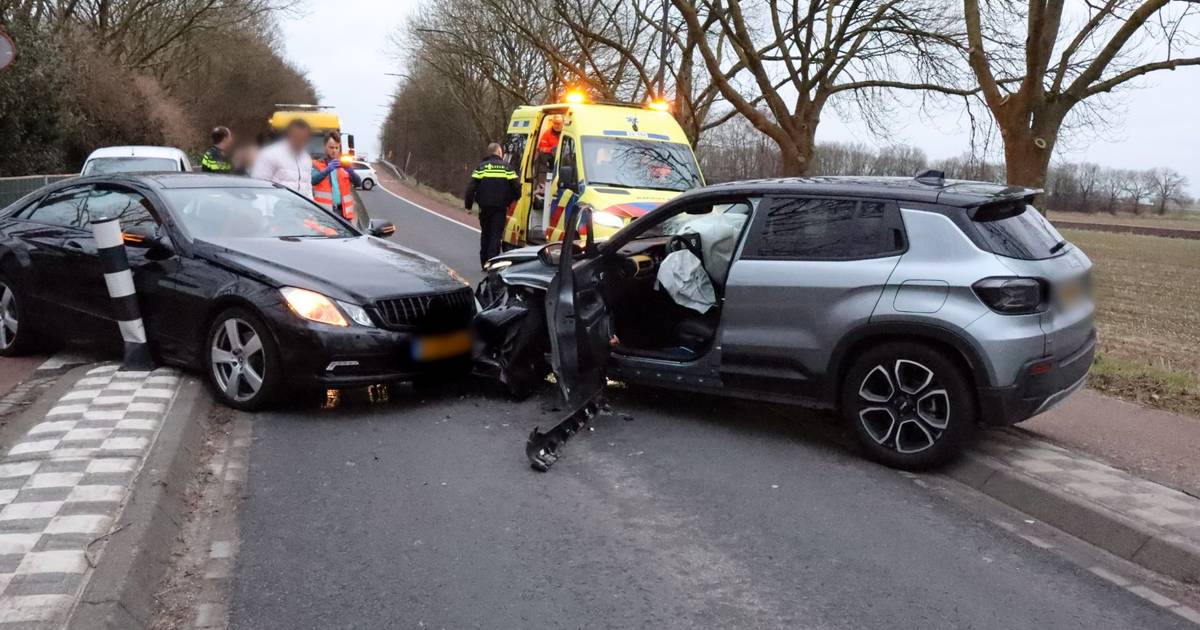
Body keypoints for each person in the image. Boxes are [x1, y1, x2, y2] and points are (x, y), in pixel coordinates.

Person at [465, 142, 520, 268]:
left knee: (486, 233)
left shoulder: (481, 167)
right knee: (496, 235)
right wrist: (512, 200)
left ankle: (484, 261)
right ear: (499, 152)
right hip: (500, 208)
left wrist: (468, 205)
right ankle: (492, 263)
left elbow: (470, 188)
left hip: (484, 208)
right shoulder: (507, 168)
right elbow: (517, 187)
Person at [250, 119, 314, 198]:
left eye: (303, 138)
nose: (300, 140)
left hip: (300, 207)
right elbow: (258, 184)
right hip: (277, 207)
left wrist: (310, 205)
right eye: (297, 136)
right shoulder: (270, 154)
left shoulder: (306, 158)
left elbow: (308, 187)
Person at [311, 131, 361, 221]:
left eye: (336, 147)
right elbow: (313, 180)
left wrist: (350, 171)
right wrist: (327, 170)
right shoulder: (317, 164)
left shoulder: (344, 165)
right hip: (325, 214)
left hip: (343, 214)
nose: (334, 150)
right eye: (331, 147)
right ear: (325, 147)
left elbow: (358, 183)